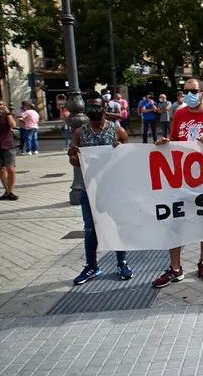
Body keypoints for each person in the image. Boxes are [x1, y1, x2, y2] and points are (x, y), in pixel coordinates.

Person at [152, 79, 203, 288]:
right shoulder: (179, 113)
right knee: (175, 220)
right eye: (185, 91)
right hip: (181, 178)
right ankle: (175, 268)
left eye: (193, 91)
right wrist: (163, 143)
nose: (189, 94)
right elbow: (173, 140)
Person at [67, 91, 133, 285]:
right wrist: (73, 155)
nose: (94, 110)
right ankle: (91, 266)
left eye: (97, 106)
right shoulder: (80, 133)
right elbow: (76, 164)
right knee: (90, 229)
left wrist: (119, 150)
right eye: (89, 107)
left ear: (103, 107)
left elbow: (128, 159)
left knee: (115, 225)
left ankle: (122, 262)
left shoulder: (118, 131)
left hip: (113, 189)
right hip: (89, 188)